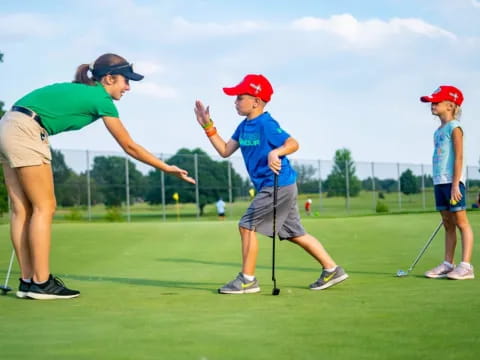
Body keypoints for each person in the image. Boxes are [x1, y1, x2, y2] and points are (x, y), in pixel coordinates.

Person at [0, 53, 195, 300]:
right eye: (126, 81)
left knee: (21, 210)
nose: (128, 87)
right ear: (109, 78)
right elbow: (129, 146)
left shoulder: (85, 91)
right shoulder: (101, 98)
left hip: (7, 124)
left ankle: (28, 281)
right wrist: (166, 167)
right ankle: (41, 282)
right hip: (26, 130)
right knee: (44, 207)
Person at [194, 74, 348, 294]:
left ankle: (247, 280)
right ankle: (332, 269)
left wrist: (277, 152)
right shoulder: (243, 126)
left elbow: (293, 143)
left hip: (277, 184)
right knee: (294, 233)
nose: (235, 102)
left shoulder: (266, 123)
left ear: (256, 101)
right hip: (277, 185)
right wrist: (207, 126)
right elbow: (225, 151)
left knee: (246, 225)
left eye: (240, 97)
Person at [420, 85, 474, 280]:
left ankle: (466, 266)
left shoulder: (455, 128)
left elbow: (458, 157)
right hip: (439, 181)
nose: (432, 105)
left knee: (461, 223)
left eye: (436, 101)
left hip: (453, 183)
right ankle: (447, 264)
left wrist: (454, 184)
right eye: (432, 102)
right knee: (447, 224)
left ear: (451, 105)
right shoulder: (438, 131)